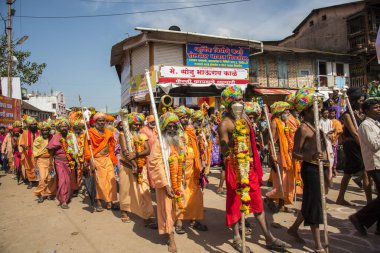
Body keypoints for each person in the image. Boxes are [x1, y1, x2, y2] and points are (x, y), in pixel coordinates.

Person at [218, 85, 290, 253]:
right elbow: (224, 150)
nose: (240, 102)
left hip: (249, 166)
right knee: (235, 203)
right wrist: (231, 144)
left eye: (241, 99)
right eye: (236, 100)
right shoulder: (225, 124)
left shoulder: (244, 119)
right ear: (229, 104)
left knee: (257, 202)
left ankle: (268, 237)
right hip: (236, 168)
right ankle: (236, 237)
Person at [287, 88, 329, 252]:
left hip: (320, 169)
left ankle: (293, 229)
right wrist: (310, 158)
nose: (319, 108)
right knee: (315, 206)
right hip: (310, 170)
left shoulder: (315, 126)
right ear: (307, 110)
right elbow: (295, 154)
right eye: (315, 106)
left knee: (311, 203)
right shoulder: (303, 129)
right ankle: (318, 245)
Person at [148, 112, 186, 253]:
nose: (171, 129)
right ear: (164, 128)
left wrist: (182, 177)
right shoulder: (159, 143)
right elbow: (154, 164)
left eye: (174, 126)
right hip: (165, 182)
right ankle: (171, 238)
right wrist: (165, 184)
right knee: (166, 209)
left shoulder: (178, 140)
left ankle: (176, 225)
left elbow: (182, 159)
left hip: (177, 179)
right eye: (169, 127)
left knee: (177, 206)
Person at [118, 112, 156, 227]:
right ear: (129, 124)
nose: (137, 126)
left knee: (144, 191)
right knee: (126, 191)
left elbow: (147, 150)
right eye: (134, 124)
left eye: (139, 124)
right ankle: (124, 211)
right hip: (126, 167)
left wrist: (136, 155)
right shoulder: (123, 135)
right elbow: (125, 152)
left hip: (140, 167)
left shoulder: (142, 135)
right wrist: (133, 164)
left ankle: (147, 215)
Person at [174, 106, 207, 234]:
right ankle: (179, 222)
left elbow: (198, 147)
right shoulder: (175, 132)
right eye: (182, 117)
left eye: (186, 117)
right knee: (181, 194)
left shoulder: (191, 130)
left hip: (194, 168)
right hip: (181, 169)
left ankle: (195, 219)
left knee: (196, 195)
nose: (185, 119)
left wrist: (201, 162)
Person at [349, 97, 380, 236]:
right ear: (367, 110)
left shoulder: (376, 124)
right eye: (375, 107)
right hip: (375, 164)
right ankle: (359, 217)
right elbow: (374, 145)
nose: (378, 109)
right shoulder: (366, 125)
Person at [336, 88, 371, 205]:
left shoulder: (361, 114)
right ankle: (369, 201)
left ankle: (341, 198)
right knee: (361, 171)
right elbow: (355, 133)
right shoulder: (347, 115)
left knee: (350, 173)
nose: (362, 102)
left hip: (360, 144)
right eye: (360, 101)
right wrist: (364, 146)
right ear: (354, 100)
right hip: (353, 145)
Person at [84, 112, 118, 211]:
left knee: (111, 180)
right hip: (97, 159)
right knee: (99, 181)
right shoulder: (90, 133)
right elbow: (87, 149)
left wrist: (113, 158)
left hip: (107, 158)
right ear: (95, 122)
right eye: (100, 121)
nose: (102, 122)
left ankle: (110, 202)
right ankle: (98, 201)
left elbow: (111, 145)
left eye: (103, 120)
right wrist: (91, 161)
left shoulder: (107, 132)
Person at [266, 101, 295, 212]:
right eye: (286, 111)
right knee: (280, 181)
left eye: (288, 111)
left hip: (287, 155)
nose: (288, 113)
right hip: (278, 156)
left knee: (287, 182)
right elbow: (271, 140)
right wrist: (272, 155)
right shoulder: (275, 122)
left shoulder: (286, 123)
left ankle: (281, 205)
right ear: (280, 112)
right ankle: (269, 197)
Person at [46, 118, 75, 209]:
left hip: (69, 162)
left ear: (68, 127)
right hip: (59, 161)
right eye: (62, 126)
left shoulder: (71, 136)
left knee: (68, 180)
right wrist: (50, 163)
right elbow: (51, 151)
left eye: (65, 126)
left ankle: (65, 196)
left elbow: (75, 150)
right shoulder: (56, 137)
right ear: (59, 127)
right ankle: (63, 201)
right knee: (62, 180)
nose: (64, 128)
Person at [33, 121, 56, 203]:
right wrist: (35, 164)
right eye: (43, 130)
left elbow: (54, 149)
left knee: (51, 178)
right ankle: (40, 193)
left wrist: (51, 161)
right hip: (41, 161)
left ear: (49, 130)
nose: (45, 131)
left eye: (46, 130)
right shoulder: (38, 139)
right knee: (42, 178)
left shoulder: (52, 137)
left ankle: (49, 193)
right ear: (41, 131)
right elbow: (35, 153)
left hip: (51, 160)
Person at [19, 116, 40, 189]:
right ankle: (31, 182)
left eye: (35, 124)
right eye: (32, 124)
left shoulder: (39, 133)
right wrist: (25, 147)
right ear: (29, 125)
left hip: (37, 154)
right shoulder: (24, 133)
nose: (34, 126)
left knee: (37, 168)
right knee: (29, 168)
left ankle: (37, 181)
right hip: (28, 154)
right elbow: (21, 142)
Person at [139, 114, 158, 188]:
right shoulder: (143, 130)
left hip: (157, 153)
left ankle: (156, 185)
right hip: (148, 153)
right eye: (152, 121)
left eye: (154, 121)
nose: (153, 123)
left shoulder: (156, 129)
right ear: (148, 121)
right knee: (150, 170)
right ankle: (152, 186)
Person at [72, 120, 85, 197]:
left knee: (80, 173)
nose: (78, 130)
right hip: (73, 157)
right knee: (75, 173)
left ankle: (79, 186)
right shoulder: (71, 136)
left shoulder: (85, 135)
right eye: (76, 129)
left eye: (79, 129)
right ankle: (75, 188)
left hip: (82, 157)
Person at [328, 109, 343, 177]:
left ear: (335, 114)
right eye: (330, 113)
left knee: (334, 156)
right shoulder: (327, 121)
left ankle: (334, 169)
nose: (331, 114)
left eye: (333, 113)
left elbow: (339, 132)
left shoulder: (337, 122)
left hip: (334, 141)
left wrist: (334, 141)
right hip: (327, 141)